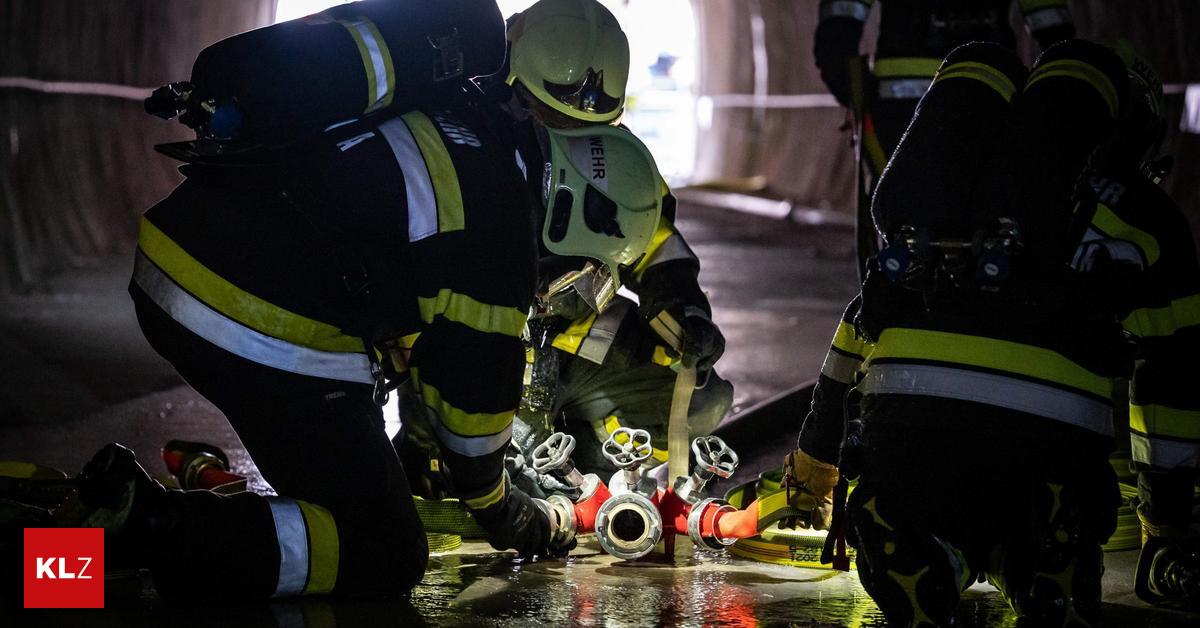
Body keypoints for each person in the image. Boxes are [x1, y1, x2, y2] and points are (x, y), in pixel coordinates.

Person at [76, 96, 663, 599]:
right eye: (583, 273)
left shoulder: (476, 134)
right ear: (572, 212)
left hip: (181, 259)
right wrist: (511, 511)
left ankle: (46, 560)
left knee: (338, 485)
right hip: (248, 314)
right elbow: (474, 414)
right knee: (382, 546)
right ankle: (140, 528)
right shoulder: (502, 237)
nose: (564, 288)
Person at [787, 39, 1152, 626]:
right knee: (1043, 516)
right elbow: (1176, 372)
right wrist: (1174, 515)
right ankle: (1037, 565)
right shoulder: (1131, 220)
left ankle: (923, 550)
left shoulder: (923, 236)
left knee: (916, 505)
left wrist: (814, 465)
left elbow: (846, 354)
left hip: (915, 443)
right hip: (1050, 447)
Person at [400, 0, 732, 488]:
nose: (575, 135)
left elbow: (655, 242)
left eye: (588, 123)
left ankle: (583, 471)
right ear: (511, 86)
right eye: (557, 115)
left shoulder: (614, 161)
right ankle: (439, 462)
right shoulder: (463, 154)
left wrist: (686, 310)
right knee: (453, 470)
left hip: (575, 341)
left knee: (702, 400)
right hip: (481, 343)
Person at [814, 0, 1075, 275]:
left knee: (903, 221)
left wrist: (852, 91)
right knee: (987, 220)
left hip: (901, 106)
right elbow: (1052, 25)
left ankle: (901, 298)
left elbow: (839, 21)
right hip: (991, 96)